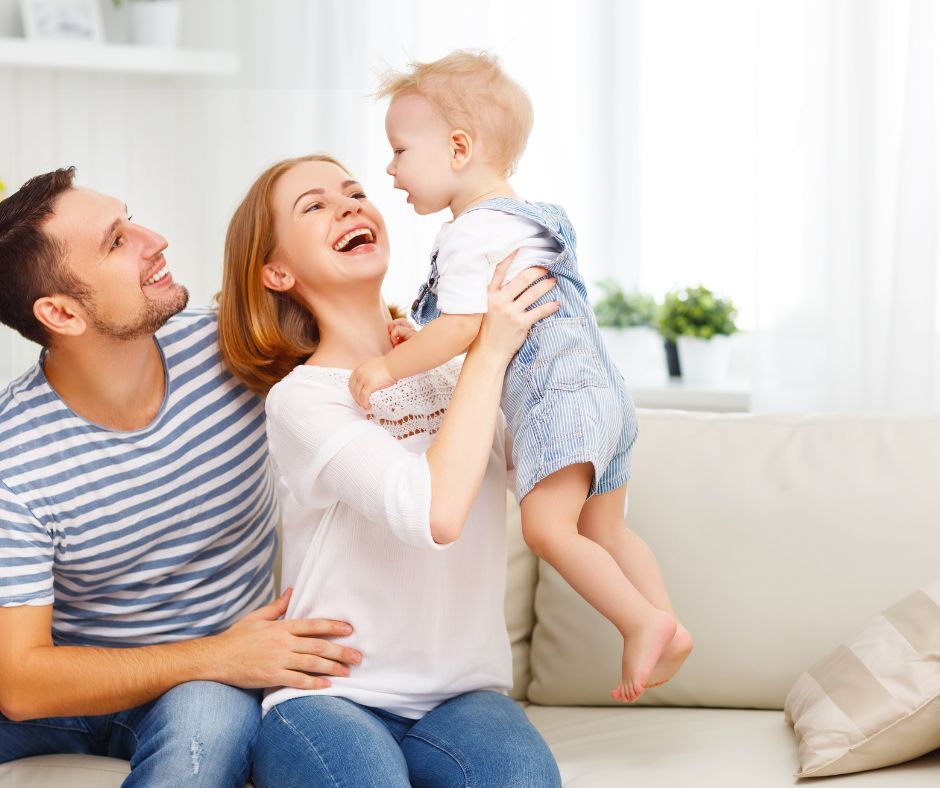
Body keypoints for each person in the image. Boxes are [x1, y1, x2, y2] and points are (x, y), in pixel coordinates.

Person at [347, 50, 694, 703]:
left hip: (559, 401)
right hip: (606, 396)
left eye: (398, 151)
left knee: (546, 529)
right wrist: (423, 338)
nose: (389, 169)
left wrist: (389, 365)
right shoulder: (534, 216)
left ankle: (642, 621)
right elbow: (491, 324)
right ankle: (667, 620)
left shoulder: (467, 233)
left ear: (457, 148)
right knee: (606, 530)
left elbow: (463, 331)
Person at [0, 167, 361, 787]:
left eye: (131, 218)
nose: (156, 239)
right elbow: (21, 682)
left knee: (209, 730)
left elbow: (365, 340)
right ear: (60, 312)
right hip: (82, 689)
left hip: (203, 689)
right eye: (117, 242)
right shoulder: (15, 456)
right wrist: (223, 652)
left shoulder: (240, 352)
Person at [217, 153, 562, 788]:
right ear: (277, 271)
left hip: (463, 696)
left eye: (354, 192)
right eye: (314, 206)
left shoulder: (456, 366)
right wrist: (487, 348)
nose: (349, 205)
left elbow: (552, 469)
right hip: (330, 695)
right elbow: (431, 513)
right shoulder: (302, 398)